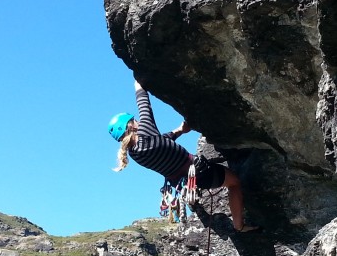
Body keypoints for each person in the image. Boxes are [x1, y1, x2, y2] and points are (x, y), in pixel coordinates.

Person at [110, 80, 260, 233]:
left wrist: (180, 130)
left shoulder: (134, 154)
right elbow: (143, 103)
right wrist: (138, 81)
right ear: (130, 126)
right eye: (134, 120)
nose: (138, 121)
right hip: (199, 171)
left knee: (217, 182)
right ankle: (239, 226)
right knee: (234, 182)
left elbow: (161, 142)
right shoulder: (146, 133)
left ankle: (195, 201)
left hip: (183, 184)